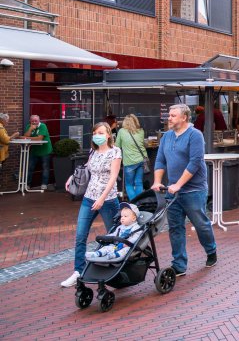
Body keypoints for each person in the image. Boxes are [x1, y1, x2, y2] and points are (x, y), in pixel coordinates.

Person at [151, 103, 217, 277]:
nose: (169, 118)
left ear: (184, 117)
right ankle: (179, 264)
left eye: (173, 115)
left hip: (193, 190)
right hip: (172, 191)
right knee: (175, 228)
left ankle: (211, 251)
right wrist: (157, 181)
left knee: (201, 224)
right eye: (169, 115)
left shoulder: (195, 135)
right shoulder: (166, 137)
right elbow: (160, 161)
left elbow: (195, 162)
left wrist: (179, 184)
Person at [61, 122, 122, 287]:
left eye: (101, 132)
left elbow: (113, 177)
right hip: (89, 198)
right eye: (95, 132)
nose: (98, 135)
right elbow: (87, 168)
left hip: (108, 199)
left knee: (113, 235)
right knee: (80, 236)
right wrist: (71, 177)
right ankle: (78, 271)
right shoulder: (93, 152)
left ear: (108, 135)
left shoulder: (115, 152)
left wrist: (102, 198)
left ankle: (115, 268)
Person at [115, 114, 147, 201]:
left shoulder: (121, 131)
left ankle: (134, 203)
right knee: (139, 183)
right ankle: (140, 203)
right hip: (141, 160)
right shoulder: (141, 131)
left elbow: (117, 146)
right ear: (136, 121)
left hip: (129, 162)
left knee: (129, 184)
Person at [23, 115, 53, 190]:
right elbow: (25, 137)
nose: (34, 122)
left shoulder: (43, 126)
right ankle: (27, 184)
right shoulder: (28, 126)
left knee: (45, 167)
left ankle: (44, 184)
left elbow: (39, 138)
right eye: (32, 121)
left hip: (45, 150)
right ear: (30, 121)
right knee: (30, 167)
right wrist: (30, 129)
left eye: (36, 121)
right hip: (34, 150)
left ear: (39, 121)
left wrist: (28, 138)